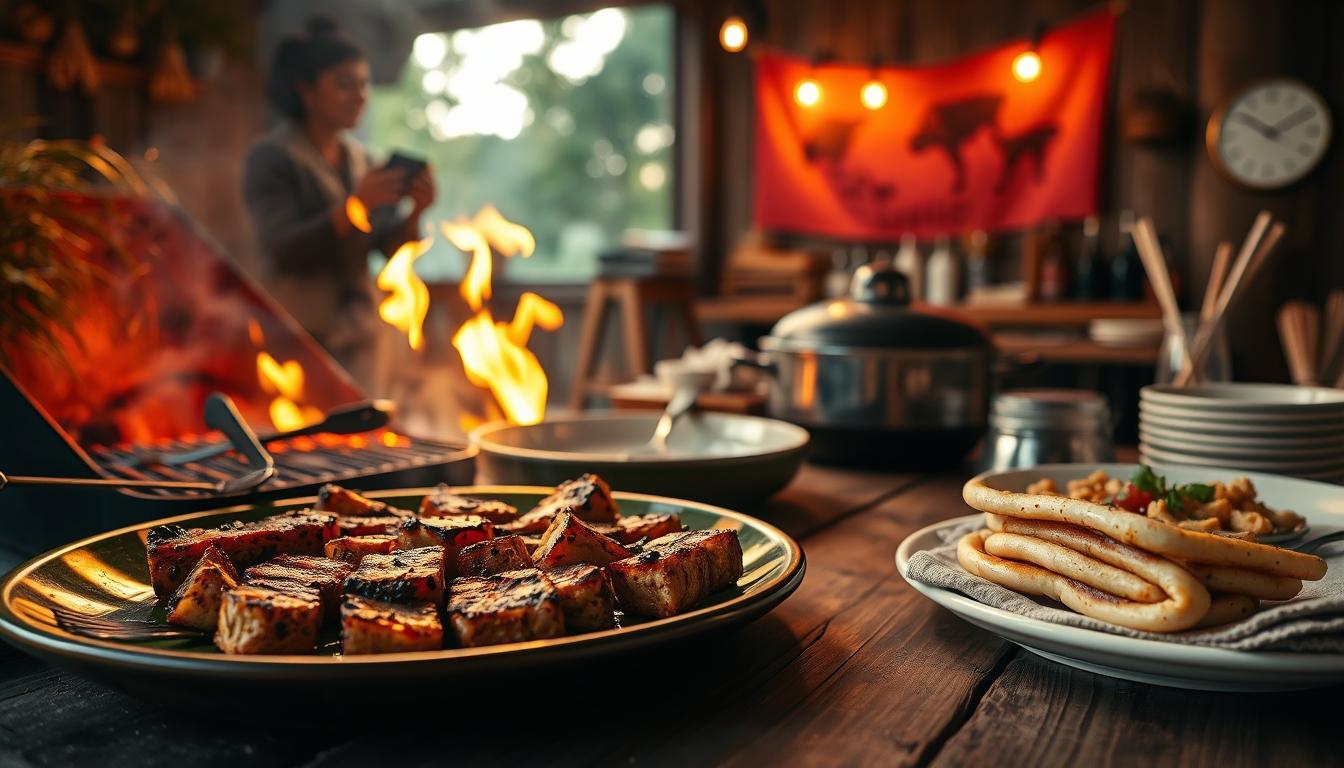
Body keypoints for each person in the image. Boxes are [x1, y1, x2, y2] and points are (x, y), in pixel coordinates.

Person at [243, 17, 433, 389]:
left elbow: (383, 248)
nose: (360, 96)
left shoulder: (362, 161)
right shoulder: (272, 156)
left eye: (364, 84)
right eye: (345, 84)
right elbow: (282, 247)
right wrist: (354, 207)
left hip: (360, 331)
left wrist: (417, 212)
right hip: (298, 331)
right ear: (306, 91)